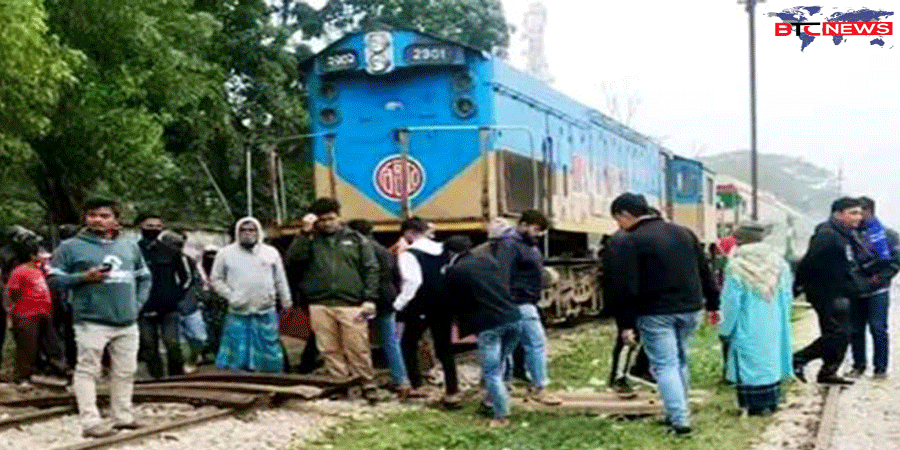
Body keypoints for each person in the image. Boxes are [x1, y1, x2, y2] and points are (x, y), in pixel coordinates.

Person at [606, 193, 720, 436]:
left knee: (665, 365)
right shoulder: (684, 233)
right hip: (690, 309)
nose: (619, 226)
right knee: (679, 360)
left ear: (626, 214)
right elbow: (704, 271)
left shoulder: (630, 240)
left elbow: (625, 286)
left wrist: (626, 324)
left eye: (618, 220)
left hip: (655, 312)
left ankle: (680, 422)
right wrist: (713, 303)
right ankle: (675, 411)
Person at [49, 198, 151, 438]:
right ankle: (90, 422)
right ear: (85, 218)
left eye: (105, 216)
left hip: (127, 321)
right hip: (91, 320)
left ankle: (122, 417)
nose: (98, 219)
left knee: (126, 371)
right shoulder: (70, 247)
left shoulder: (130, 246)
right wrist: (83, 277)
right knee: (87, 370)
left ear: (116, 219)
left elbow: (144, 277)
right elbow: (53, 280)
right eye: (93, 215)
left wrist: (136, 305)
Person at [286, 198, 379, 397]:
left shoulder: (356, 239)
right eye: (322, 220)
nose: (327, 223)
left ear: (339, 217)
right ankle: (340, 384)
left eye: (331, 218)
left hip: (351, 303)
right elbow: (294, 260)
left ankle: (367, 384)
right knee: (329, 348)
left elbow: (371, 269)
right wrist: (304, 232)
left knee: (357, 347)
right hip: (320, 303)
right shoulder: (310, 240)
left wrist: (370, 298)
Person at [443, 235, 522, 426]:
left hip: (489, 324)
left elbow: (455, 301)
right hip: (513, 317)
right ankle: (490, 400)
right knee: (501, 362)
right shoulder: (488, 261)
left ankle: (501, 415)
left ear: (450, 252)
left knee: (491, 371)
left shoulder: (455, 270)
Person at [718, 222, 793, 415]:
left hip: (747, 322)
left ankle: (750, 405)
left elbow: (731, 302)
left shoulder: (736, 266)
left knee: (748, 360)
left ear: (739, 240)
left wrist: (725, 329)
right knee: (770, 359)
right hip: (774, 320)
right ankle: (771, 401)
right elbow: (787, 295)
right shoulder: (779, 263)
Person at [793, 198, 869, 385]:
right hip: (827, 292)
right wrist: (799, 286)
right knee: (838, 334)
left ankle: (828, 372)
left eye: (859, 213)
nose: (858, 217)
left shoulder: (846, 234)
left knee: (842, 334)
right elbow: (809, 261)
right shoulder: (827, 234)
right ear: (838, 213)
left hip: (842, 290)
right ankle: (798, 359)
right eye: (853, 213)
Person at [493, 210, 561, 406]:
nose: (538, 234)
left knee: (509, 346)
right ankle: (540, 387)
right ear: (523, 225)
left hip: (525, 301)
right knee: (535, 343)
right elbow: (503, 275)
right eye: (536, 229)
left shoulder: (526, 245)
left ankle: (502, 385)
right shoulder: (511, 245)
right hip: (519, 302)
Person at [393, 217, 460, 405]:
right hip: (444, 304)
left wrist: (399, 304)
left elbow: (413, 282)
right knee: (445, 348)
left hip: (420, 305)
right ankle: (452, 389)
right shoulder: (443, 250)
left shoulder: (409, 254)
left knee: (408, 343)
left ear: (409, 233)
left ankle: (417, 385)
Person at [210, 217, 291, 373]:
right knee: (237, 350)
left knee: (270, 349)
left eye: (251, 230)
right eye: (243, 230)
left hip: (265, 310)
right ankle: (239, 382)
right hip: (238, 311)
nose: (247, 233)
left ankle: (271, 380)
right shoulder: (225, 253)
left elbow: (280, 279)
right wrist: (231, 296)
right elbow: (216, 279)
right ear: (237, 232)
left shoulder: (271, 252)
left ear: (258, 232)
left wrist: (286, 300)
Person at [346, 219, 415, 397]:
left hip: (368, 298)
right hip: (388, 297)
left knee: (359, 341)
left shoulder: (361, 249)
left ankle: (363, 379)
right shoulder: (384, 250)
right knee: (390, 341)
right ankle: (401, 380)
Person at [847, 197, 899, 379]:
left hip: (879, 289)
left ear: (870, 211)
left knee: (878, 329)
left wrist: (882, 277)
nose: (858, 217)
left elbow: (895, 261)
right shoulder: (849, 234)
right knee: (855, 329)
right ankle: (858, 365)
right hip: (856, 288)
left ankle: (880, 368)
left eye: (861, 212)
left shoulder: (889, 235)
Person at [7, 242, 68, 384]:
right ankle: (22, 377)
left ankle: (60, 370)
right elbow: (12, 292)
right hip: (26, 313)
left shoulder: (40, 270)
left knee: (52, 343)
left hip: (44, 312)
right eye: (39, 253)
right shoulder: (19, 271)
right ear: (32, 255)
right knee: (28, 345)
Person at [136, 214, 187, 378]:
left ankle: (177, 378)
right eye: (149, 225)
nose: (153, 229)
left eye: (157, 226)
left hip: (169, 309)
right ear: (141, 226)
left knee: (172, 344)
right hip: (142, 308)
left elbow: (186, 277)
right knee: (149, 346)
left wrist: (176, 297)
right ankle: (157, 379)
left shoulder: (171, 252)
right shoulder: (132, 252)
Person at [601, 231, 653, 393]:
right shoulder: (624, 241)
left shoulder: (625, 240)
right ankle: (619, 377)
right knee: (627, 337)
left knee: (640, 335)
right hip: (629, 297)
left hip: (634, 295)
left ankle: (639, 368)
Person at [159, 231, 206, 373]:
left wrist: (200, 298)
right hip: (169, 309)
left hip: (190, 304)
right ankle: (180, 369)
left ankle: (193, 359)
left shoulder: (187, 260)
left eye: (179, 245)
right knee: (175, 343)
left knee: (200, 337)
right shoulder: (157, 260)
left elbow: (193, 280)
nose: (175, 247)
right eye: (172, 244)